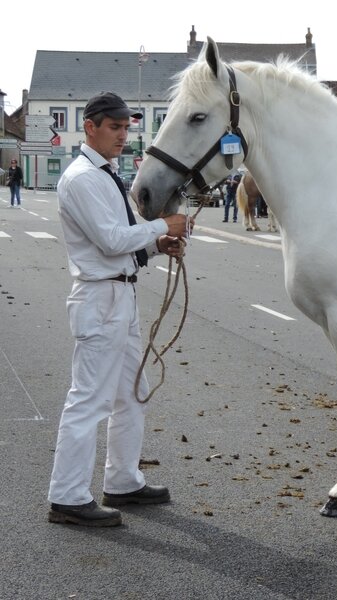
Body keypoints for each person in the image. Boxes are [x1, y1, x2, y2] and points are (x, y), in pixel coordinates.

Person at [48, 91, 194, 527]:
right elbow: (111, 240)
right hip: (99, 299)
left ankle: (123, 481)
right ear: (90, 127)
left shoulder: (105, 174)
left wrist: (156, 246)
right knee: (89, 400)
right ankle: (68, 496)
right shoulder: (81, 178)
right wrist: (162, 225)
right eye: (114, 127)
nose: (121, 135)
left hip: (119, 295)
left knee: (131, 392)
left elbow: (120, 245)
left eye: (126, 128)